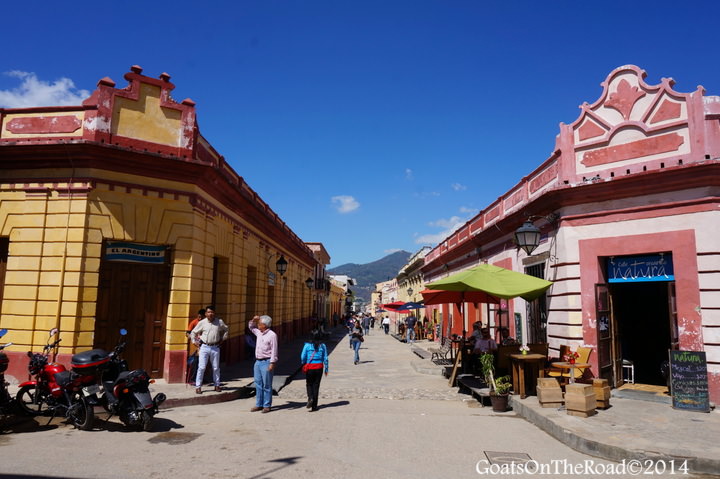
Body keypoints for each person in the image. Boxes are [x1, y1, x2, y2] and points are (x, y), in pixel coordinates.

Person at [190, 306, 228, 394]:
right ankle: (198, 386)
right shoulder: (202, 322)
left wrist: (223, 338)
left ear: (214, 313)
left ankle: (217, 385)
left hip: (215, 347)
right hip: (204, 347)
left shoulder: (219, 322)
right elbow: (193, 332)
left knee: (215, 367)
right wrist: (194, 341)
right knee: (201, 367)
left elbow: (226, 329)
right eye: (208, 312)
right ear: (206, 314)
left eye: (212, 312)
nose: (210, 314)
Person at [248, 315, 278, 413]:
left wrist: (272, 363)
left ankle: (267, 405)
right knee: (258, 383)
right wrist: (253, 319)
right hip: (258, 361)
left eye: (259, 323)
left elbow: (274, 350)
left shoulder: (272, 335)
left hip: (267, 361)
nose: (258, 324)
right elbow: (251, 327)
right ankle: (259, 404)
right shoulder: (259, 333)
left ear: (264, 325)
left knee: (267, 384)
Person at [300, 331, 329, 412]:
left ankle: (310, 397)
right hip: (319, 367)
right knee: (316, 385)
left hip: (310, 367)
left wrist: (304, 363)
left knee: (309, 384)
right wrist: (326, 368)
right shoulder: (322, 346)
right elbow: (325, 358)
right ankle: (314, 406)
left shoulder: (307, 345)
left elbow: (302, 357)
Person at [185, 308, 205, 384]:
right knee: (195, 363)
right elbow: (187, 333)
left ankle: (201, 378)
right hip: (194, 346)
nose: (199, 318)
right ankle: (192, 379)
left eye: (201, 317)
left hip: (203, 345)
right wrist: (194, 338)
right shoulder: (194, 322)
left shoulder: (206, 323)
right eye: (198, 316)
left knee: (203, 363)